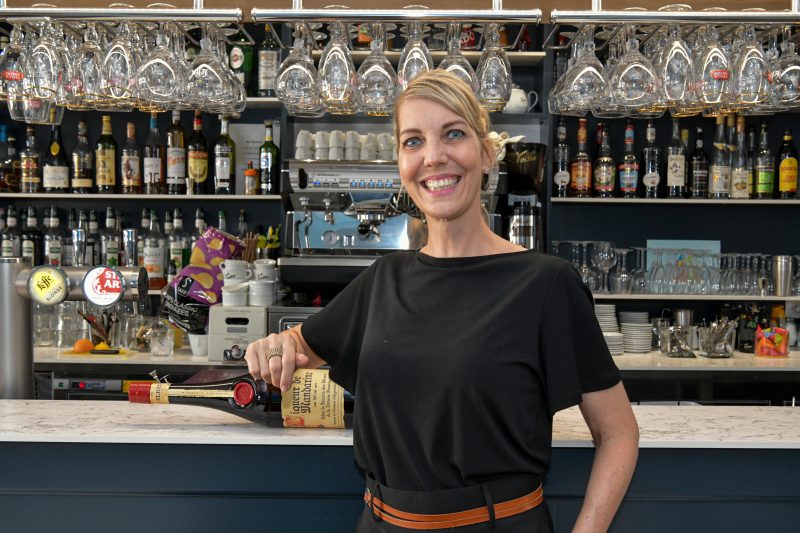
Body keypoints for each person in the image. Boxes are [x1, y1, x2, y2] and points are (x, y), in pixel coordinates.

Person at [245, 70, 639, 532]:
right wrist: (273, 346)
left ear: (488, 153)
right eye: (413, 141)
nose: (433, 157)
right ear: (400, 162)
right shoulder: (383, 280)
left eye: (453, 134)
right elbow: (299, 343)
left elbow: (618, 432)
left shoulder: (545, 284)